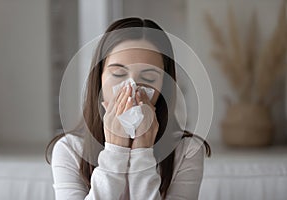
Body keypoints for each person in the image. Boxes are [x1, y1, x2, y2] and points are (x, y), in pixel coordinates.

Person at [46, 17, 211, 200]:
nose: (131, 88)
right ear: (99, 78)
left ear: (164, 85)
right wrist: (115, 151)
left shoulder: (187, 151)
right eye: (118, 74)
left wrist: (143, 153)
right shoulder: (70, 150)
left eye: (148, 78)